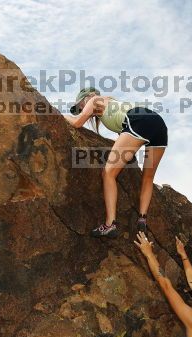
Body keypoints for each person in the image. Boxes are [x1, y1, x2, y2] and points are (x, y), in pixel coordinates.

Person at [65, 87, 167, 237]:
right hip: (158, 124)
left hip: (138, 120)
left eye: (80, 105)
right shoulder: (113, 105)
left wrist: (57, 115)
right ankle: (142, 219)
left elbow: (77, 123)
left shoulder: (95, 100)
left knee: (108, 173)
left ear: (87, 97)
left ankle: (110, 224)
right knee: (148, 177)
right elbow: (127, 137)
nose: (81, 108)